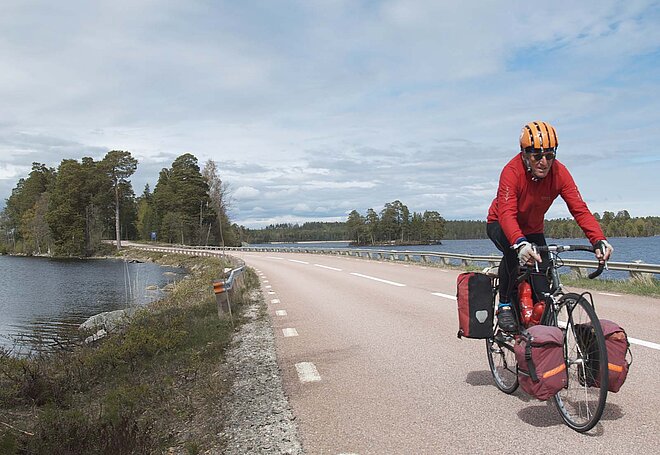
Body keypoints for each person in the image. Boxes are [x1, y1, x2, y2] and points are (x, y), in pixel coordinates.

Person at [486, 120, 613, 333]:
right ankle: (505, 304)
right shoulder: (511, 171)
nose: (544, 162)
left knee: (543, 288)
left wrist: (598, 239)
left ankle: (539, 333)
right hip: (500, 223)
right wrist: (519, 243)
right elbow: (507, 214)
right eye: (537, 156)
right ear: (524, 154)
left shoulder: (560, 173)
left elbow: (579, 209)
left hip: (533, 230)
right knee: (511, 252)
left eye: (549, 155)